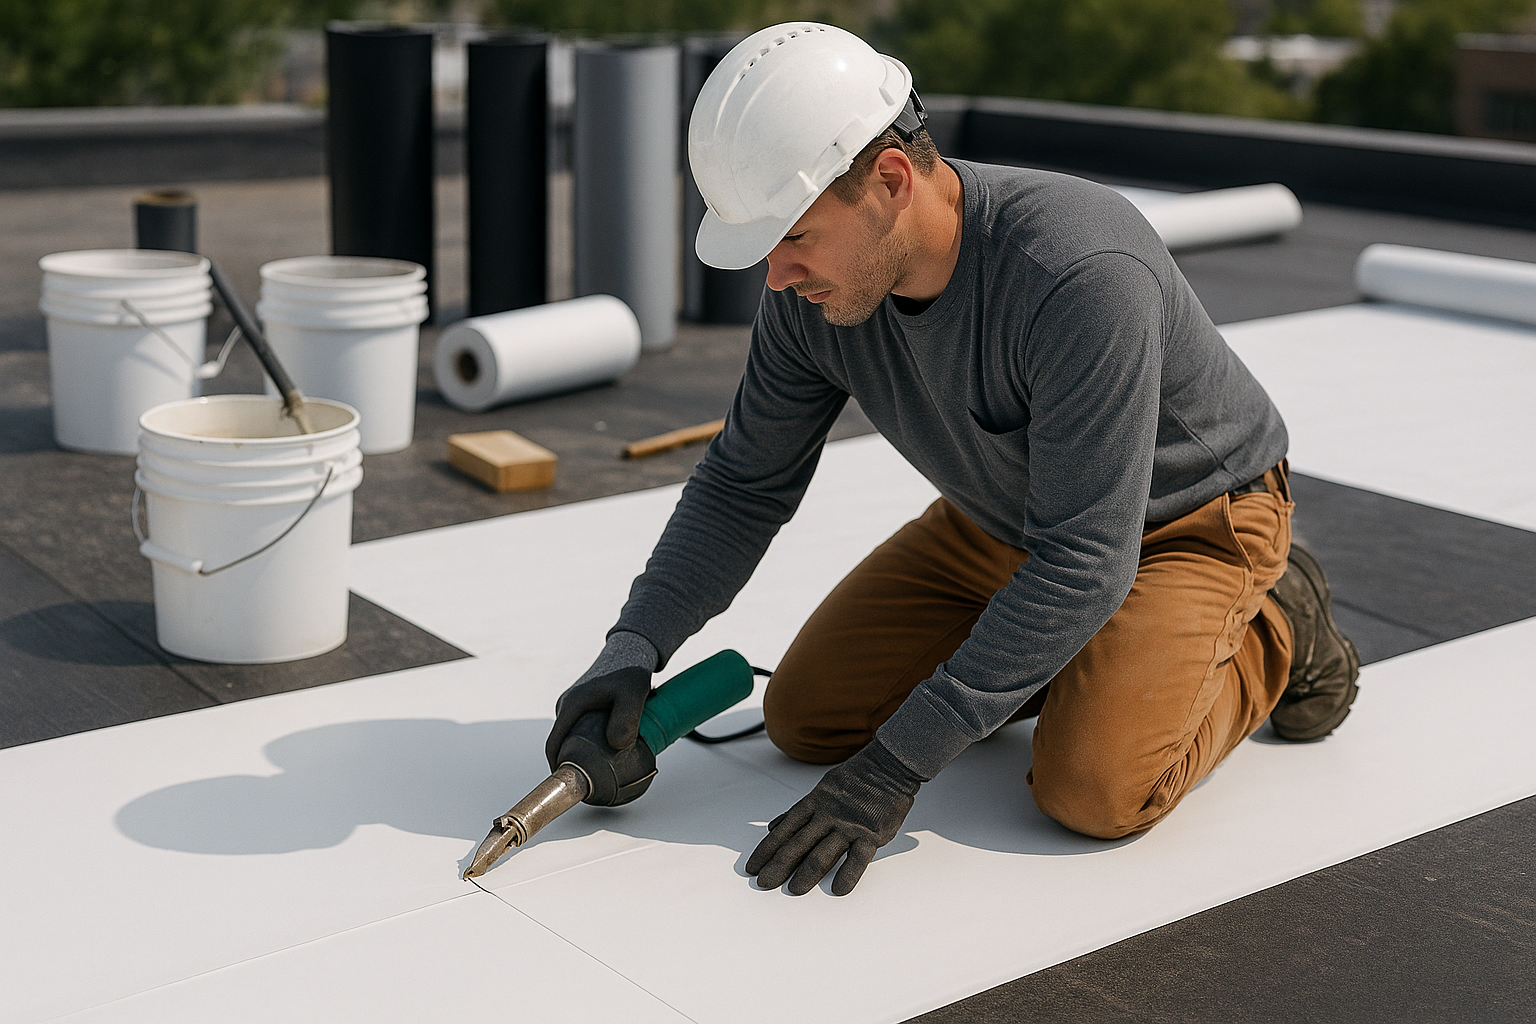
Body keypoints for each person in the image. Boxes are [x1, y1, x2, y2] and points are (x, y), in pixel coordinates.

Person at [544, 23, 1360, 897]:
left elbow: (1089, 555)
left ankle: (1277, 620)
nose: (776, 277)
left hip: (1184, 523)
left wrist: (897, 766)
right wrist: (632, 648)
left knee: (1093, 790)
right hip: (1004, 519)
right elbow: (744, 482)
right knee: (805, 718)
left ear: (891, 181)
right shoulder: (808, 300)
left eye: (793, 238)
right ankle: (1071, 658)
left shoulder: (1077, 270)